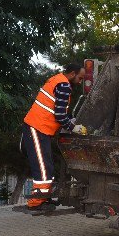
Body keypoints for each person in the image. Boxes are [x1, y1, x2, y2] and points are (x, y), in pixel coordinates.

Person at [21, 64, 85, 211]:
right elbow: (60, 115)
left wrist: (70, 121)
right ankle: (36, 202)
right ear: (72, 74)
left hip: (39, 128)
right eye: (80, 78)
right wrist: (73, 127)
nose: (80, 81)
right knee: (42, 167)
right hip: (37, 128)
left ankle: (44, 198)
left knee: (47, 164)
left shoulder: (57, 80)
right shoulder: (63, 85)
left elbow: (57, 109)